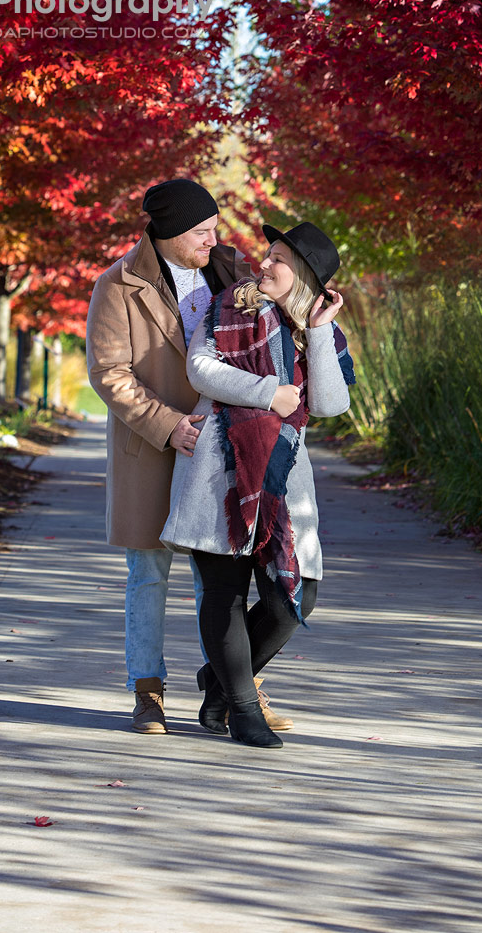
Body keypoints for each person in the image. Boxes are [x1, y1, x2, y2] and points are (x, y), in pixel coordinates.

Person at [87, 179, 295, 734]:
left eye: (213, 227)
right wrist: (168, 424)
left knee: (222, 580)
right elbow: (109, 372)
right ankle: (147, 692)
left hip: (225, 451)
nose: (214, 238)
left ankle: (234, 687)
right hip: (153, 450)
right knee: (149, 573)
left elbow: (266, 332)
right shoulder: (118, 284)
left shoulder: (228, 270)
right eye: (201, 231)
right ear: (171, 232)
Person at [160, 221, 355, 748]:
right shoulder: (228, 308)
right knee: (223, 590)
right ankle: (243, 708)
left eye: (279, 259)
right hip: (219, 468)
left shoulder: (324, 333)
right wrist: (269, 392)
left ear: (306, 278)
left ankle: (218, 681)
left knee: (297, 595)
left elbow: (333, 403)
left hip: (286, 478)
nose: (264, 264)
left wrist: (316, 332)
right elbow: (200, 369)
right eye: (267, 254)